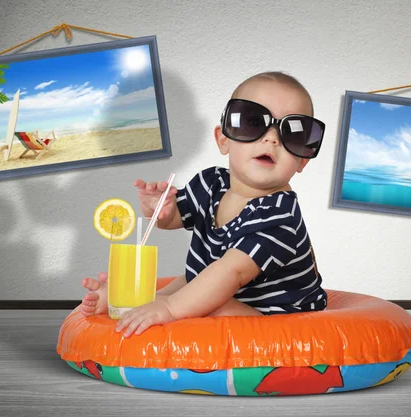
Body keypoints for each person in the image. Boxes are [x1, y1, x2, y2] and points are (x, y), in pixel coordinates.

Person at [80, 71, 328, 338]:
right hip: (233, 295)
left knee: (208, 301)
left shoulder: (279, 215)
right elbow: (173, 217)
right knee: (189, 281)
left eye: (293, 132)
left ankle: (153, 306)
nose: (272, 138)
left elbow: (230, 272)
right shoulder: (212, 183)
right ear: (223, 139)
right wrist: (159, 210)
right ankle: (132, 303)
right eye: (252, 122)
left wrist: (170, 309)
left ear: (303, 160)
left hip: (278, 317)